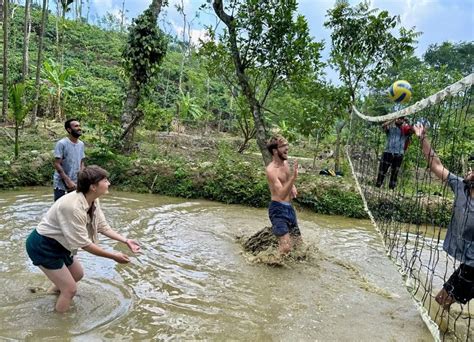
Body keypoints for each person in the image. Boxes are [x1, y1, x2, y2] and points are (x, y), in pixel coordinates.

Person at [25, 165, 141, 313]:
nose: (109, 183)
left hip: (61, 244)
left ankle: (50, 295)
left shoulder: (92, 200)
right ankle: (59, 324)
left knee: (77, 274)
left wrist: (126, 240)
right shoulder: (73, 206)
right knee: (70, 290)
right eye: (105, 180)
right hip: (43, 245)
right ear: (93, 186)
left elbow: (102, 226)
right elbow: (84, 244)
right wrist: (113, 256)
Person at [414, 124, 473, 309]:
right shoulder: (461, 186)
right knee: (442, 302)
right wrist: (422, 138)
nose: (471, 170)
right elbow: (436, 164)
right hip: (469, 264)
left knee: (440, 303)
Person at [265, 135, 301, 254]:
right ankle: (267, 266)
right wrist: (294, 179)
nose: (287, 148)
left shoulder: (285, 163)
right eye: (283, 146)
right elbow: (280, 194)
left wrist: (293, 186)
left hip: (289, 208)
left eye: (287, 145)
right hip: (277, 209)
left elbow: (286, 179)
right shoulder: (271, 170)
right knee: (286, 248)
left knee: (299, 246)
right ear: (275, 151)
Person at [375, 116, 413, 189]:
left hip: (399, 154)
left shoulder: (405, 129)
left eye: (401, 119)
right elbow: (383, 126)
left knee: (395, 173)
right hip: (387, 152)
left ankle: (391, 188)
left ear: (403, 120)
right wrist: (393, 118)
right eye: (398, 118)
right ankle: (377, 186)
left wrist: (408, 122)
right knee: (382, 171)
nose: (399, 120)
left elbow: (412, 131)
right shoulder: (390, 129)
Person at [53, 118, 85, 201]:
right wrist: (67, 180)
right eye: (76, 126)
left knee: (75, 207)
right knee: (59, 208)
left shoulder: (81, 144)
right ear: (69, 130)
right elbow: (57, 164)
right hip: (61, 182)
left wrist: (82, 178)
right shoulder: (62, 143)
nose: (79, 128)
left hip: (76, 181)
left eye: (79, 126)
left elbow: (81, 162)